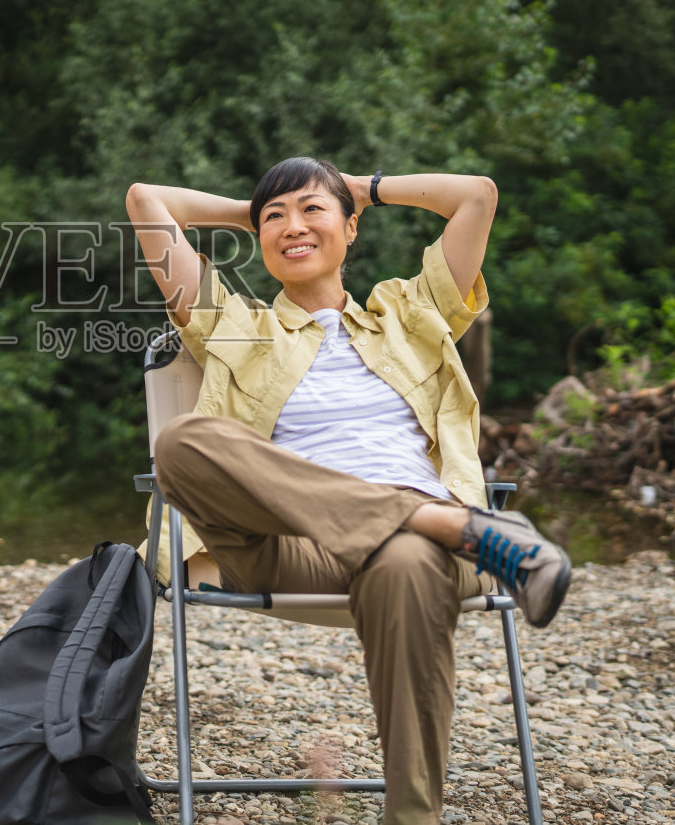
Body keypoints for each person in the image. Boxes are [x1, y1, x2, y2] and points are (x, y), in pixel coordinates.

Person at [125, 157, 570, 825]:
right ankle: (453, 525)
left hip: (411, 559)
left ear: (351, 226)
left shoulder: (410, 313)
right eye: (275, 217)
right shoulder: (237, 323)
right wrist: (256, 210)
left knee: (407, 556)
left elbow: (477, 195)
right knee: (182, 443)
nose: (292, 226)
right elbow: (146, 198)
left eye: (313, 210)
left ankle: (412, 817)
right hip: (289, 543)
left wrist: (362, 188)